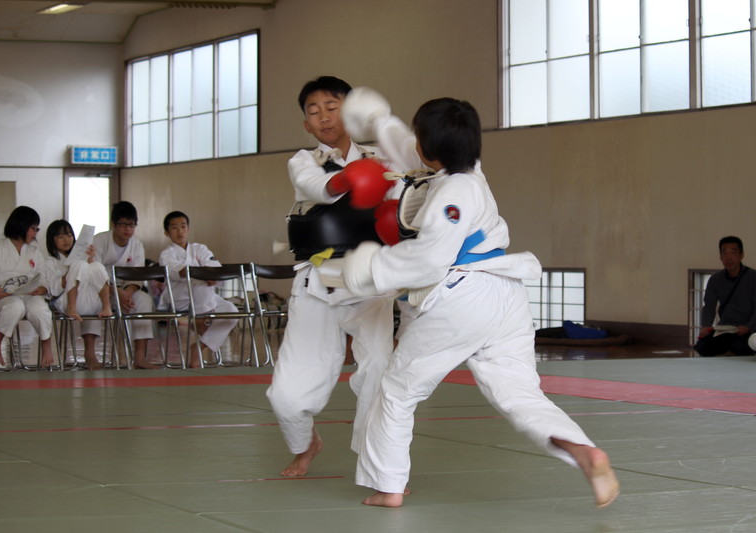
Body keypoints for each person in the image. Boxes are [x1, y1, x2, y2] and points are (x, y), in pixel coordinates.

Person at [338, 90, 619, 508]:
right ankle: (584, 451)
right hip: (505, 297)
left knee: (397, 391)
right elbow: (412, 150)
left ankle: (389, 486)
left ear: (429, 149)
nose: (413, 144)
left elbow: (430, 260)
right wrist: (381, 122)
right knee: (521, 393)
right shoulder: (464, 172)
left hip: (461, 296)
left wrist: (371, 267)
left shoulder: (453, 194)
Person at [265, 76, 397, 477]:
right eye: (313, 110)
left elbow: (408, 207)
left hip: (370, 281)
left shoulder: (385, 156)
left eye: (332, 106)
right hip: (318, 282)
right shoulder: (304, 160)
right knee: (286, 395)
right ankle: (306, 443)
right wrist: (357, 176)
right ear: (306, 124)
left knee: (378, 374)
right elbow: (318, 188)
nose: (323, 117)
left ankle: (379, 468)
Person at [158, 211, 238, 368]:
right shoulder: (167, 254)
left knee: (231, 312)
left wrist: (208, 275)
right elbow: (179, 272)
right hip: (180, 299)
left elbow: (215, 268)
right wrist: (203, 274)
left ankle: (198, 347)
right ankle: (200, 319)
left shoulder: (200, 248)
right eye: (174, 228)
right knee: (200, 283)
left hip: (205, 297)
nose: (180, 231)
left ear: (188, 229)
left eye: (183, 226)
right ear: (167, 233)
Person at [0, 206, 55, 369]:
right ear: (21, 226)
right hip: (2, 297)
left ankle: (46, 344)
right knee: (15, 306)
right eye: (33, 229)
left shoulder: (35, 252)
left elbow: (43, 278)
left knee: (40, 308)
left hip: (29, 294)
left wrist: (41, 289)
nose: (35, 233)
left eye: (36, 229)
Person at [92, 201, 158, 369]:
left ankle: (140, 357)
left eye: (132, 224)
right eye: (123, 224)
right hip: (100, 290)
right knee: (91, 303)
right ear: (113, 224)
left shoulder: (136, 245)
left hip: (125, 291)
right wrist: (116, 291)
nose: (128, 229)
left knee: (143, 300)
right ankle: (90, 354)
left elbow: (137, 274)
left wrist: (127, 292)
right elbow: (94, 271)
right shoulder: (99, 240)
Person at [43, 220, 113, 370]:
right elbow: (53, 290)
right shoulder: (49, 262)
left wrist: (90, 259)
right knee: (79, 265)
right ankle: (72, 307)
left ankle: (107, 306)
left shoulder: (83, 260)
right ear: (52, 240)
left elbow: (96, 275)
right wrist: (72, 269)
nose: (66, 239)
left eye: (68, 235)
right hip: (64, 301)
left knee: (96, 265)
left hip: (87, 299)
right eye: (60, 236)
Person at [694, 236, 756, 357]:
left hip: (748, 329)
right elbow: (709, 306)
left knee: (741, 347)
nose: (728, 257)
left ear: (741, 255)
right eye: (724, 253)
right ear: (720, 257)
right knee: (702, 346)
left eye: (733, 252)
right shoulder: (715, 279)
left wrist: (749, 327)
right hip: (725, 328)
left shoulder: (753, 277)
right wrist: (706, 327)